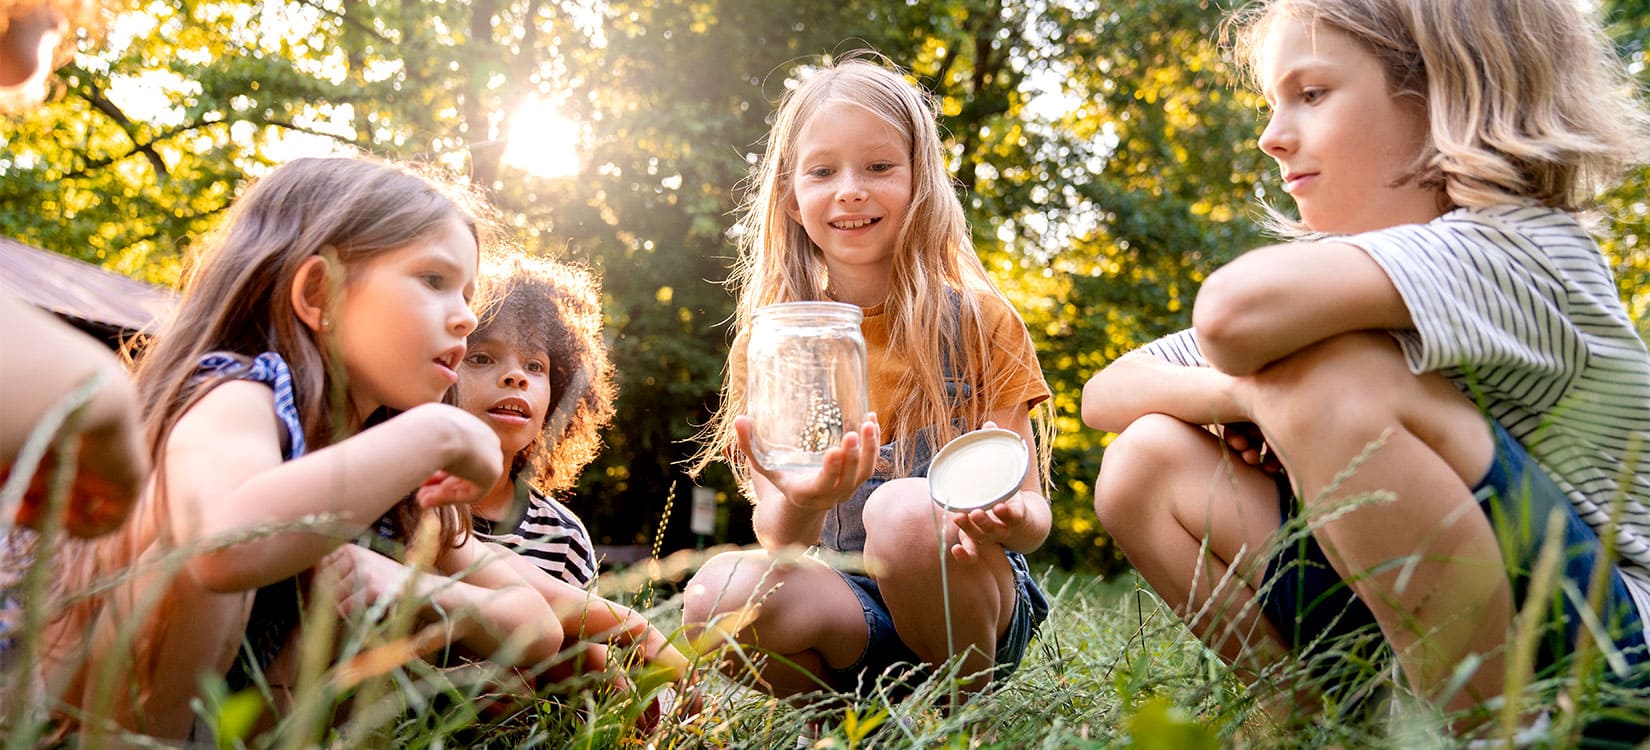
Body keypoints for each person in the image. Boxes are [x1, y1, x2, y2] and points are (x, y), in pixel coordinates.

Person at [1081, 0, 1650, 740]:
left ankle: (1510, 734)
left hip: (1608, 646)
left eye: (1311, 95)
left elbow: (1228, 316)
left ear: (1443, 91)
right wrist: (1248, 397)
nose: (1271, 136)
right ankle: (1324, 725)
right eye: (1273, 103)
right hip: (1457, 615)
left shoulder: (1522, 247)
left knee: (1324, 382)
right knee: (1143, 464)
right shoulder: (1340, 283)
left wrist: (1276, 393)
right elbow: (1107, 395)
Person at [42, 156, 564, 742]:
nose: (467, 318)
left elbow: (538, 626)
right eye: (435, 282)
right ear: (320, 293)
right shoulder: (240, 394)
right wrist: (439, 434)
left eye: (468, 293)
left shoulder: (380, 461)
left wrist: (416, 590)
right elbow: (223, 548)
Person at [683, 53, 1054, 702]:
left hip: (974, 605)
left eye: (879, 166)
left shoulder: (981, 323)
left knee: (903, 511)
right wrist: (808, 495)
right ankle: (857, 713)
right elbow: (781, 537)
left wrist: (1008, 515)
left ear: (921, 181)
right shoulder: (775, 344)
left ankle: (957, 717)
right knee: (716, 598)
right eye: (823, 171)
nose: (850, 188)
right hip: (857, 613)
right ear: (792, 200)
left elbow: (1032, 515)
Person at [450, 254, 691, 693]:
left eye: (535, 366)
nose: (514, 377)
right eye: (482, 357)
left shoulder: (562, 535)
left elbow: (583, 659)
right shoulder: (409, 503)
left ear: (558, 391)